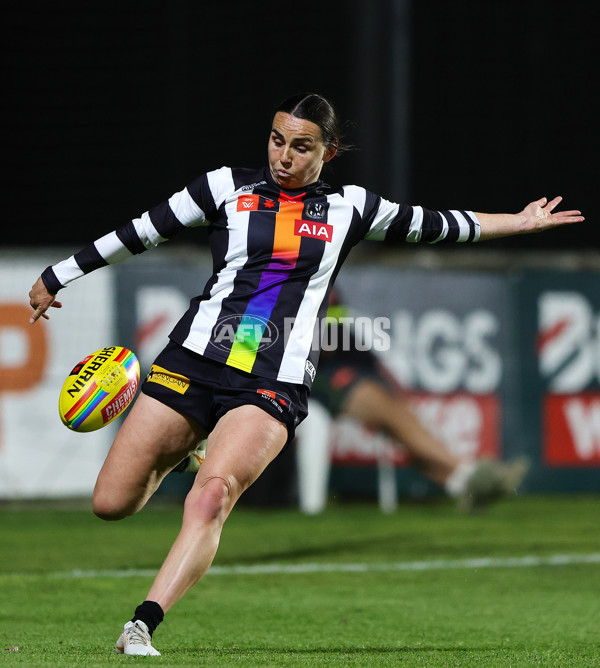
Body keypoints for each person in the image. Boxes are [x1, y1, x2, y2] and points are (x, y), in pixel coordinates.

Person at [28, 92, 583, 656]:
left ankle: (141, 624)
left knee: (211, 497)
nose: (284, 157)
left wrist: (520, 221)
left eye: (301, 146)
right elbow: (141, 231)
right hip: (192, 360)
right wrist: (59, 274)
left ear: (328, 151)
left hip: (273, 377)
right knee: (111, 503)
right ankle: (193, 448)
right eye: (277, 141)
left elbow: (439, 225)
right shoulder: (225, 187)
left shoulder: (351, 207)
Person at [298, 290, 529, 512]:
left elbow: (337, 325)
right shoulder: (282, 271)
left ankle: (461, 480)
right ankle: (467, 474)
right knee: (383, 407)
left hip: (334, 366)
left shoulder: (323, 266)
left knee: (396, 415)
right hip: (301, 373)